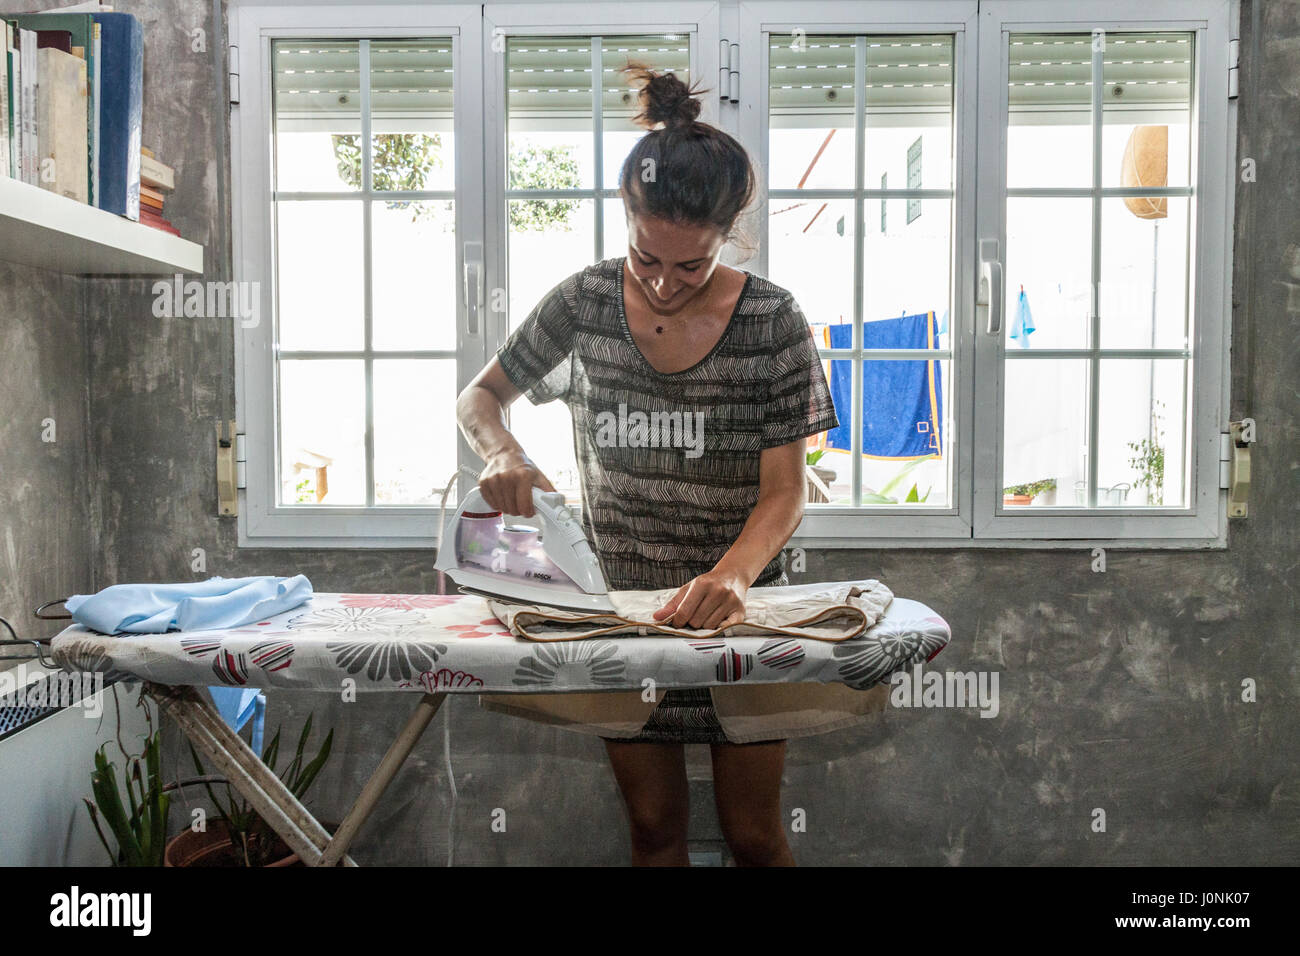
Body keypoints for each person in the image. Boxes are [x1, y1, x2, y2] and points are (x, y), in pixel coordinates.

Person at [455, 64, 842, 866]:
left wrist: (732, 577)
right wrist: (503, 453)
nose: (664, 284)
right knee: (655, 833)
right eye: (645, 259)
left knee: (756, 837)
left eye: (690, 267)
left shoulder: (773, 321)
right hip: (618, 615)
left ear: (729, 236)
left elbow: (785, 490)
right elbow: (478, 398)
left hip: (738, 617)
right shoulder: (584, 301)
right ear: (626, 220)